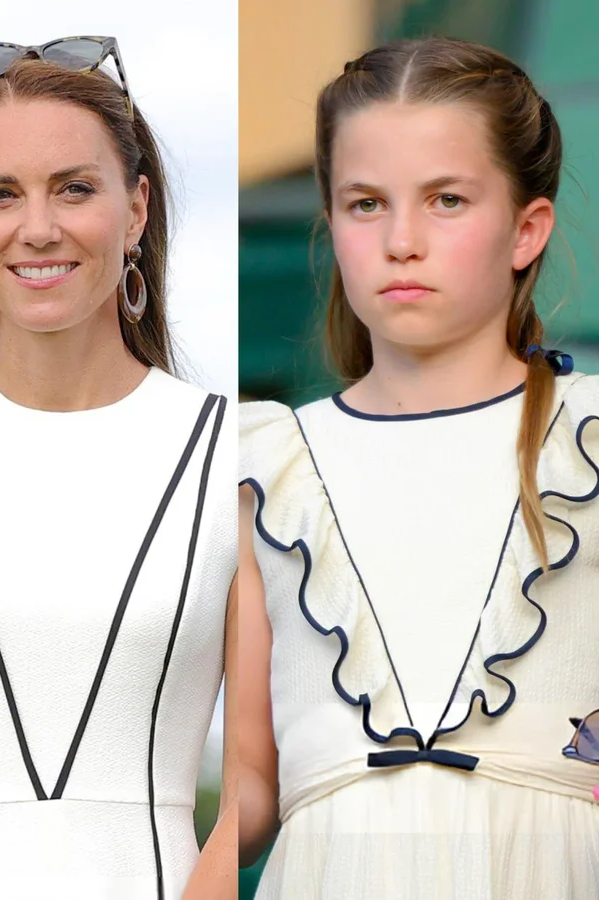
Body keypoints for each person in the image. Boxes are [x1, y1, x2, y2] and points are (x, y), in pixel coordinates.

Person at [239, 35, 599, 900]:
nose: (402, 240)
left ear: (526, 229)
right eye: (367, 204)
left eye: (446, 199)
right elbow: (247, 787)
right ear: (331, 225)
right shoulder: (260, 466)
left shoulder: (587, 434)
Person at [0, 38, 237, 900]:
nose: (38, 227)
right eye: (3, 195)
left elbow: (260, 782)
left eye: (74, 188)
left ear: (137, 208)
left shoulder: (239, 458)